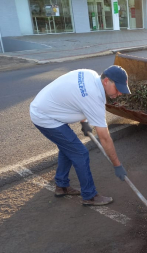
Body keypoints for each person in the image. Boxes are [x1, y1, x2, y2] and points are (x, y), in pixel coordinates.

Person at [30, 65, 130, 206]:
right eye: (118, 88)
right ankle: (89, 195)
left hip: (44, 106)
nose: (120, 93)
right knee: (80, 153)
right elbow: (105, 138)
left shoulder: (90, 74)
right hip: (45, 116)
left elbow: (78, 98)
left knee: (68, 147)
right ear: (106, 81)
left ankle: (62, 186)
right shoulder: (95, 98)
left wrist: (84, 122)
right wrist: (117, 165)